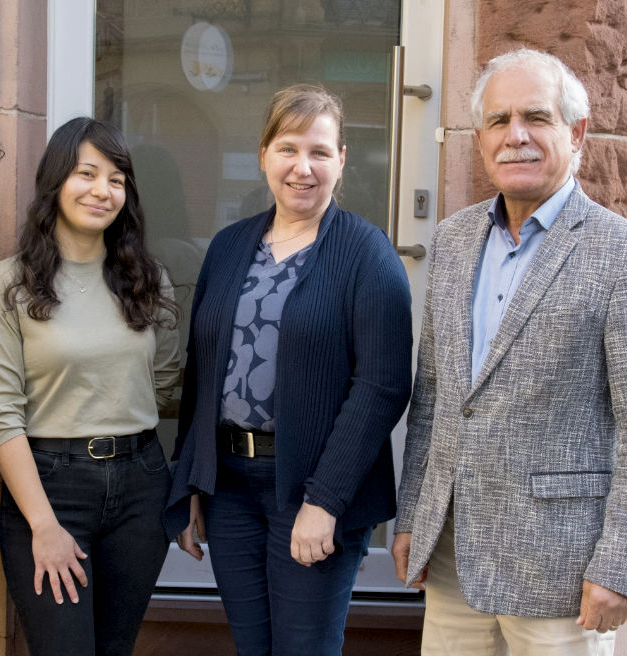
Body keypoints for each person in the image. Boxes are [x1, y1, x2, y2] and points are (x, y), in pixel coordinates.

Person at [392, 48, 627, 655]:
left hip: (563, 570)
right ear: (480, 139)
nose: (515, 136)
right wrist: (415, 515)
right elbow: (435, 395)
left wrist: (622, 565)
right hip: (452, 556)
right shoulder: (452, 240)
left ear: (576, 133)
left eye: (536, 117)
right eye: (498, 120)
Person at [167, 84, 413, 655]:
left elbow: (381, 388)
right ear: (264, 155)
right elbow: (201, 372)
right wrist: (190, 481)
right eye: (288, 149)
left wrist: (324, 501)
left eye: (319, 152)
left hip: (312, 489)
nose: (303, 167)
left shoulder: (367, 254)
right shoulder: (229, 247)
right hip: (229, 489)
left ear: (341, 160)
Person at [0, 117, 180, 656]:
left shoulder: (148, 280)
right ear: (56, 181)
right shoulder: (9, 284)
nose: (102, 190)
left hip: (140, 486)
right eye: (87, 173)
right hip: (49, 488)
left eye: (117, 179)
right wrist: (44, 525)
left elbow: (163, 383)